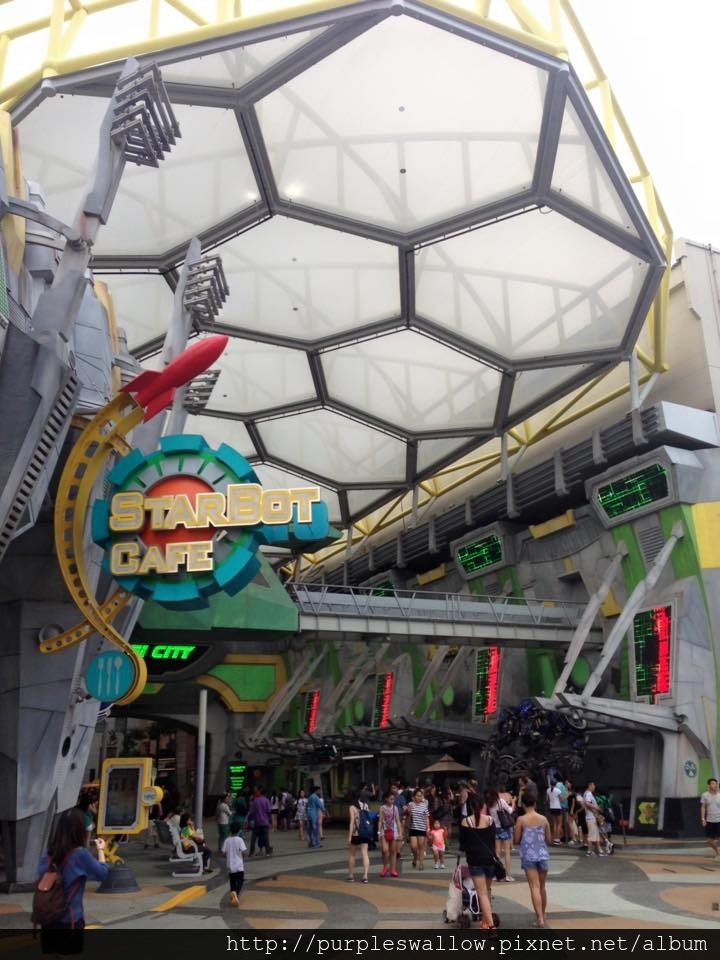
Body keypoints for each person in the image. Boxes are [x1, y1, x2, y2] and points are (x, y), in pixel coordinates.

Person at [36, 808, 109, 954]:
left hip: (48, 919)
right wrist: (101, 850)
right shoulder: (80, 854)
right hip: (69, 920)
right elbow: (102, 874)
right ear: (80, 830)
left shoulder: (48, 854)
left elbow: (40, 876)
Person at [458, 791, 497, 931]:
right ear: (482, 805)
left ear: (469, 806)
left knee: (482, 893)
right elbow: (493, 841)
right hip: (490, 860)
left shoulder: (466, 821)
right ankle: (485, 922)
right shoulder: (490, 820)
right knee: (487, 891)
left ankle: (491, 927)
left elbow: (463, 844)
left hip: (475, 861)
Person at [514, 790, 551, 928]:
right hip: (542, 855)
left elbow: (516, 840)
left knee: (534, 887)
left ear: (523, 804)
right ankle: (543, 914)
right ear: (535, 803)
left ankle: (539, 918)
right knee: (542, 886)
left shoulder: (521, 820)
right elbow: (549, 839)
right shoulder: (544, 819)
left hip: (528, 856)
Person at [486, 787, 515, 882]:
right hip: (504, 828)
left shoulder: (489, 804)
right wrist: (513, 802)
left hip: (495, 829)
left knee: (497, 852)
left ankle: (497, 874)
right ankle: (507, 875)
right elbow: (510, 811)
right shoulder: (501, 802)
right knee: (507, 852)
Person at [222, 821, 247, 907]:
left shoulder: (227, 840)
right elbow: (243, 851)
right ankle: (236, 893)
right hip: (239, 865)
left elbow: (223, 853)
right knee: (240, 880)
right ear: (239, 830)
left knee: (232, 881)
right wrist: (242, 856)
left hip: (230, 865)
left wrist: (227, 855)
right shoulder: (240, 840)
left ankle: (233, 893)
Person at [346, 792, 370, 883]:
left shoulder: (352, 807)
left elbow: (352, 822)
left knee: (352, 854)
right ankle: (365, 876)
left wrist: (349, 836)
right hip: (365, 832)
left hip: (356, 833)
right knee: (365, 854)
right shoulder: (365, 806)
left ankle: (351, 875)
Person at [378, 791, 402, 877]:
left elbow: (398, 821)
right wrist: (378, 831)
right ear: (386, 799)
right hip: (384, 831)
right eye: (391, 799)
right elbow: (380, 820)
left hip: (393, 831)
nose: (392, 800)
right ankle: (385, 867)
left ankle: (393, 869)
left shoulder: (395, 808)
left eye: (393, 799)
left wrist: (400, 832)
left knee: (393, 851)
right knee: (384, 850)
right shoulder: (382, 808)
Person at [405, 787, 430, 869]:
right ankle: (415, 857)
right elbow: (406, 814)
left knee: (421, 846)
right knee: (413, 846)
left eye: (420, 796)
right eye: (417, 795)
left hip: (422, 828)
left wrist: (428, 828)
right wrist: (407, 811)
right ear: (414, 796)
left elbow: (426, 818)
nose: (419, 797)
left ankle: (421, 863)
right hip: (413, 828)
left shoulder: (424, 806)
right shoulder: (410, 804)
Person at [248, 788, 272, 857]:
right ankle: (267, 852)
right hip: (265, 822)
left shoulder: (255, 800)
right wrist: (269, 820)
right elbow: (269, 811)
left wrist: (251, 819)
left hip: (257, 822)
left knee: (253, 838)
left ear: (260, 793)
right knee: (266, 838)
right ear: (265, 794)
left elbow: (252, 812)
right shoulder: (267, 800)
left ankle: (251, 852)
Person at [582, 780, 602, 857]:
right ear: (589, 785)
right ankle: (589, 851)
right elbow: (587, 803)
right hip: (591, 817)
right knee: (591, 835)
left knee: (596, 835)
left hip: (591, 817)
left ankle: (599, 850)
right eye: (593, 785)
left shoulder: (586, 793)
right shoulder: (588, 793)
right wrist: (596, 808)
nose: (594, 787)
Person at [700, 777, 720, 857]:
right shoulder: (705, 795)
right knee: (709, 841)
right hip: (710, 821)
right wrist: (703, 819)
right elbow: (703, 807)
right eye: (713, 783)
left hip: (719, 820)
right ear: (709, 785)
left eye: (716, 784)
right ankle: (718, 852)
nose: (715, 785)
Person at [546, 779, 563, 844]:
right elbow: (561, 800)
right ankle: (557, 839)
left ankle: (554, 838)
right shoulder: (558, 790)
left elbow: (547, 800)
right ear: (556, 784)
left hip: (551, 807)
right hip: (557, 807)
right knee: (559, 823)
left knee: (555, 823)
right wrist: (566, 796)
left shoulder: (548, 790)